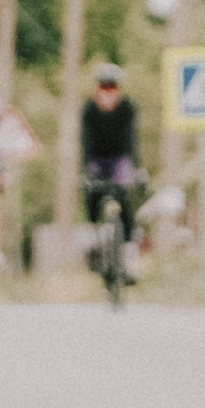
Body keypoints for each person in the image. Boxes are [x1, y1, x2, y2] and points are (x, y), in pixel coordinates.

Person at [82, 61, 141, 279]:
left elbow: (132, 140)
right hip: (97, 158)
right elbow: (85, 143)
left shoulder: (128, 108)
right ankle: (94, 239)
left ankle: (129, 255)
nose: (108, 93)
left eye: (112, 88)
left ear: (118, 90)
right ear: (97, 89)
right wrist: (85, 173)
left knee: (124, 197)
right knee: (91, 193)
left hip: (120, 158)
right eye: (103, 88)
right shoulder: (88, 110)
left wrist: (136, 168)